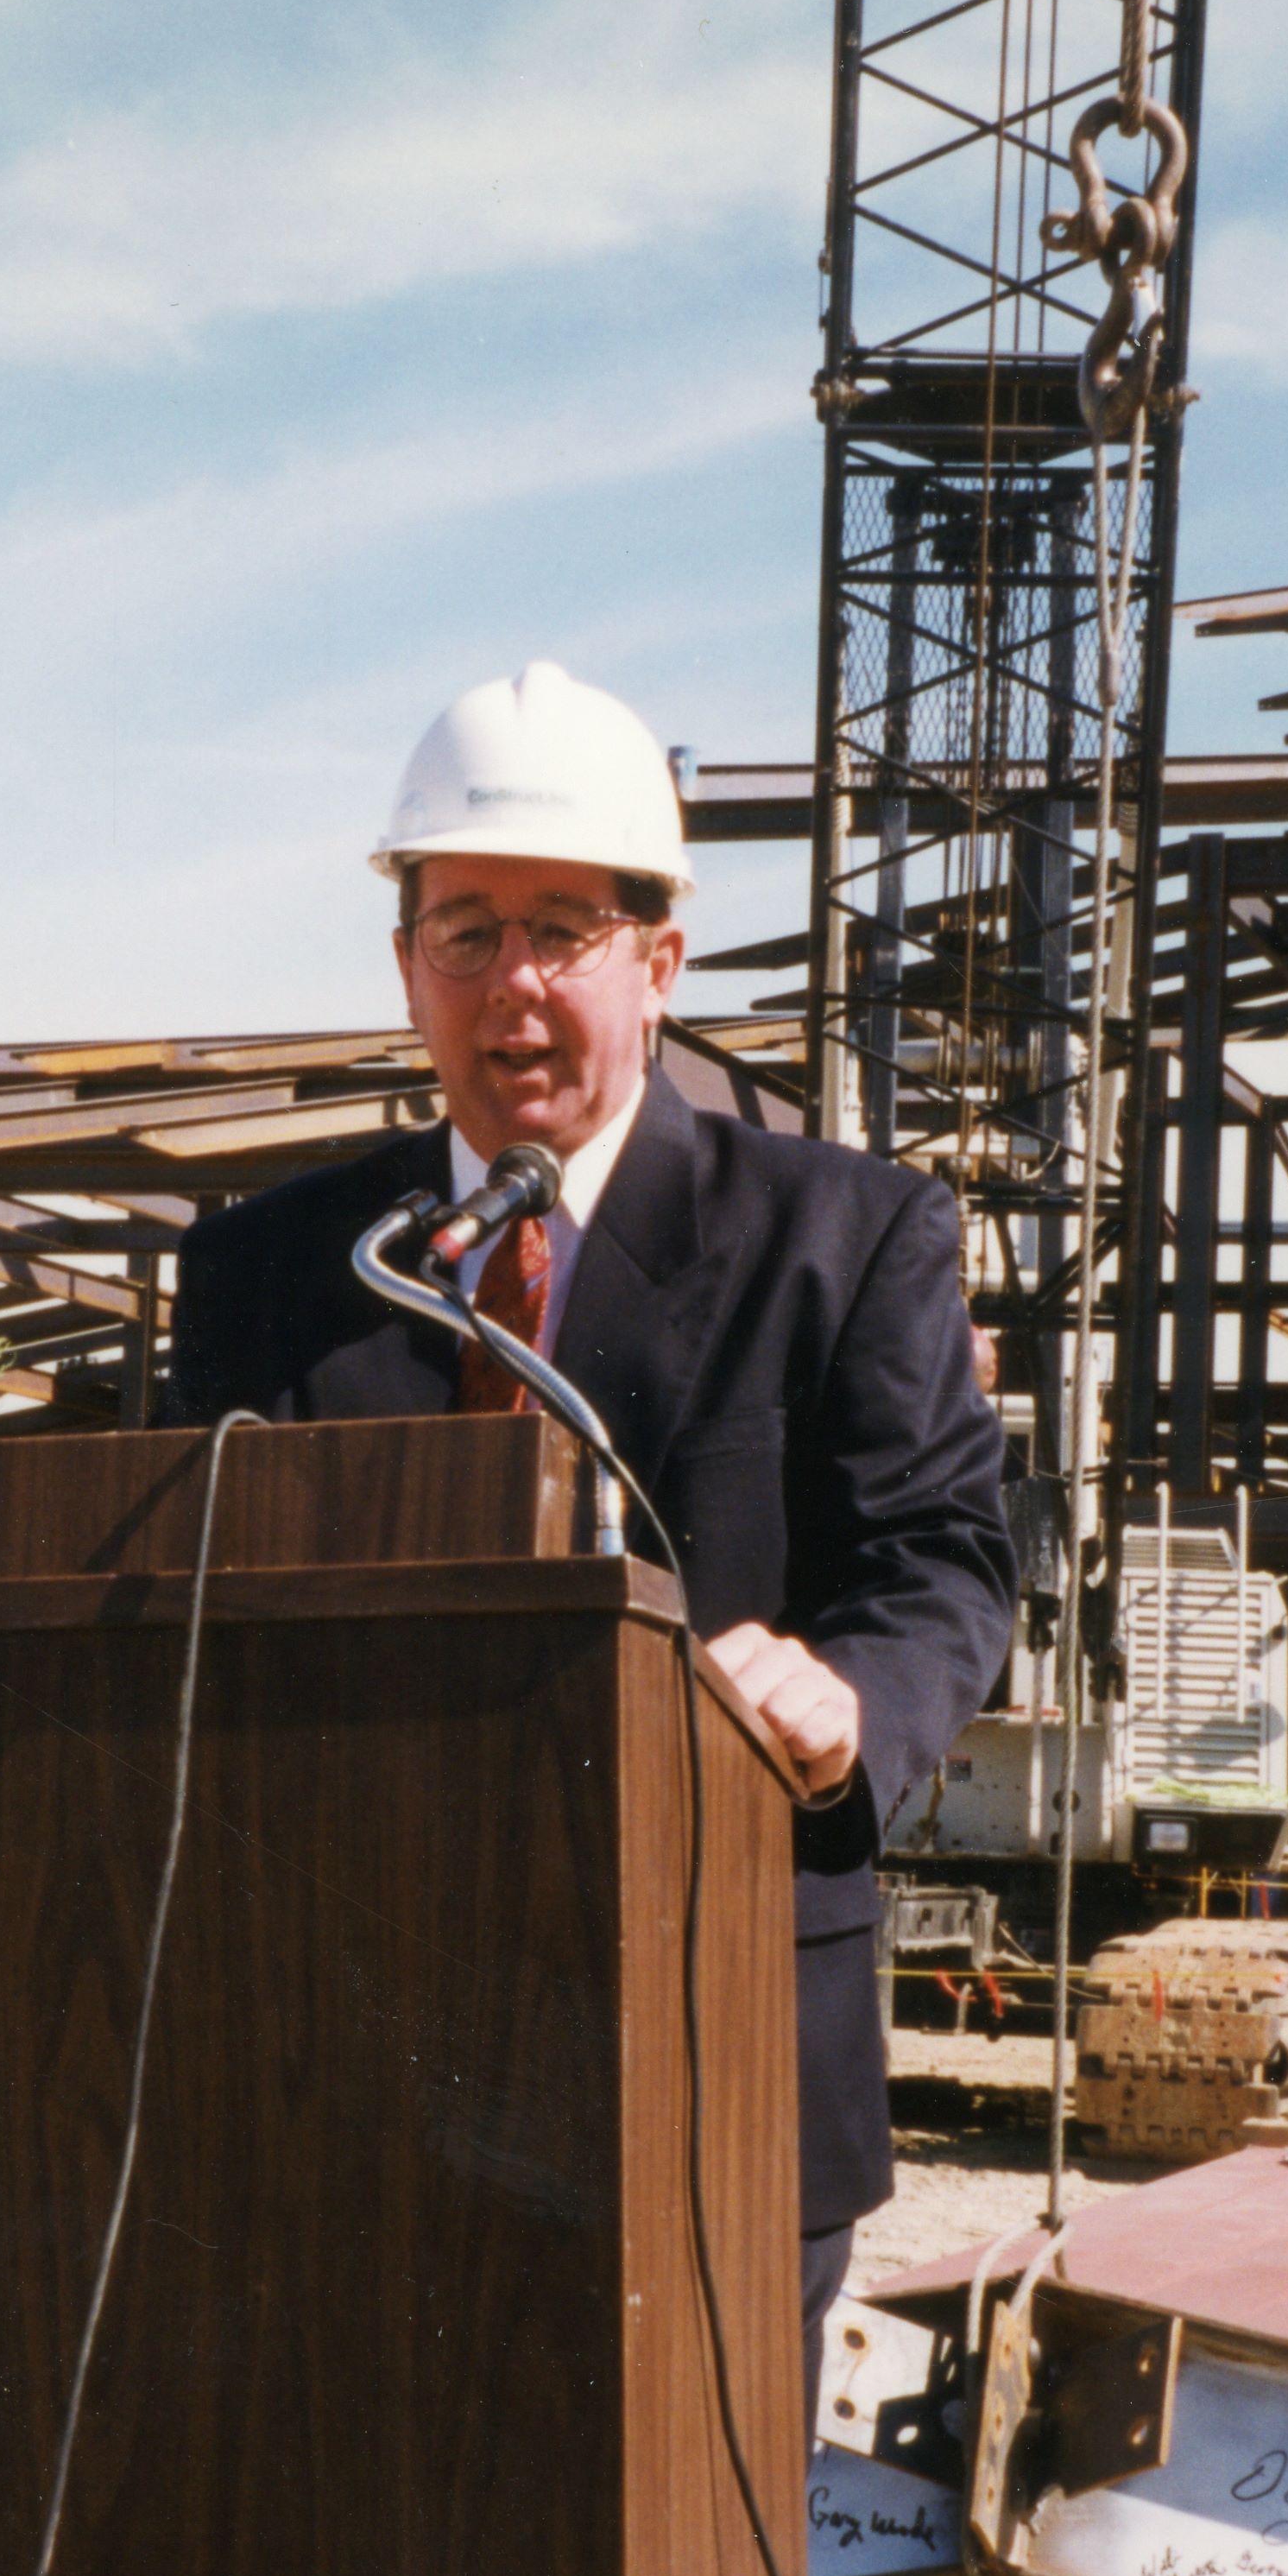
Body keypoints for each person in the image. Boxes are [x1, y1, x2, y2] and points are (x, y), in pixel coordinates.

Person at [167, 660, 1013, 2417]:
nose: (515, 989)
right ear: (405, 967)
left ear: (660, 961)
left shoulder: (846, 1240)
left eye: (564, 931)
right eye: (464, 933)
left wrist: (851, 1694)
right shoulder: (269, 1273)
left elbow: (944, 1560)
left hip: (717, 2045)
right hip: (352, 2060)